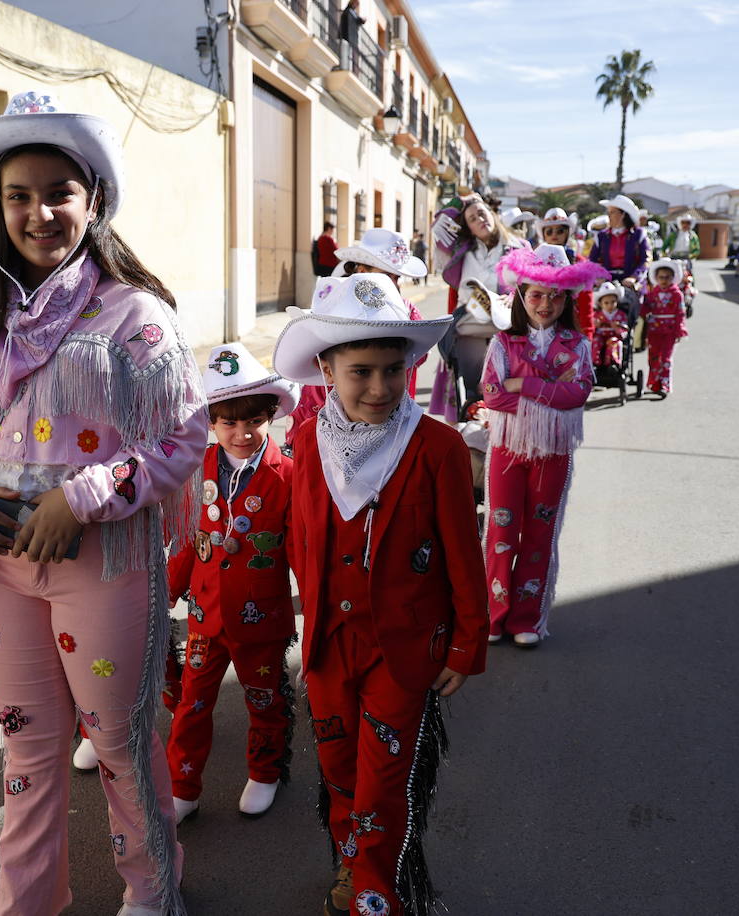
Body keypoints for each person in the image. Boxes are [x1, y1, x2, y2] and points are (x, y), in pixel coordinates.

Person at [0, 91, 205, 916]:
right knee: (27, 754)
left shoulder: (136, 316)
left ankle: (152, 895)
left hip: (106, 566)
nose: (39, 211)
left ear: (93, 202)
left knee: (122, 747)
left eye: (59, 191)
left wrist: (83, 497)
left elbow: (184, 438)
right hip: (4, 575)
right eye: (18, 195)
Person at [272, 273, 485, 916]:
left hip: (404, 648)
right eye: (360, 371)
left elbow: (461, 554)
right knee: (337, 766)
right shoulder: (306, 441)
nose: (379, 388)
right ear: (325, 368)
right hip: (330, 646)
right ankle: (350, 861)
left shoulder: (438, 446)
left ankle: (375, 888)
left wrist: (466, 643)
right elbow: (297, 538)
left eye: (394, 371)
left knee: (384, 779)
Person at [165, 343, 299, 823]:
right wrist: (167, 591)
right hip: (205, 614)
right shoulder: (196, 466)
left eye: (252, 421)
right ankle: (182, 785)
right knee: (191, 704)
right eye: (228, 422)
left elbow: (301, 553)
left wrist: (319, 612)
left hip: (260, 617)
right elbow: (187, 538)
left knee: (263, 701)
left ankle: (264, 773)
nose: (241, 433)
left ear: (270, 416)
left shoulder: (287, 475)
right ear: (210, 422)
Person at [481, 245, 606, 646]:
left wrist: (525, 385)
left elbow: (580, 392)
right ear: (521, 295)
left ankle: (526, 619)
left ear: (568, 298)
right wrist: (548, 393)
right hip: (507, 450)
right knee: (501, 534)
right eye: (536, 293)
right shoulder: (504, 342)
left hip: (552, 453)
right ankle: (494, 615)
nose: (545, 303)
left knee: (539, 535)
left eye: (555, 296)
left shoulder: (577, 344)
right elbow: (491, 394)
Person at [286, 228, 428, 449]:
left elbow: (418, 356)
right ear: (362, 270)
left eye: (396, 277)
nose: (394, 284)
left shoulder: (406, 310)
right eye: (387, 276)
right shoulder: (337, 305)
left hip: (388, 410)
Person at [430, 194, 530, 419]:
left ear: (493, 214)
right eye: (472, 219)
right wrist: (461, 201)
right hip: (469, 328)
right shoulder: (461, 251)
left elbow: (534, 282)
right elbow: (438, 227)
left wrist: (517, 296)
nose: (479, 220)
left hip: (508, 330)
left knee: (505, 397)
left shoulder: (519, 247)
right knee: (468, 393)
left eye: (482, 213)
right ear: (469, 228)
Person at [538, 207, 595, 339]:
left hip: (572, 325)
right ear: (543, 234)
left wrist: (587, 333)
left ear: (567, 233)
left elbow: (586, 302)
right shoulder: (535, 261)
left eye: (560, 231)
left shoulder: (580, 262)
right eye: (549, 231)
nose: (554, 235)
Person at [642, 259, 688, 398]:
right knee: (654, 357)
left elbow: (680, 312)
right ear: (656, 278)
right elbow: (646, 308)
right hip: (654, 330)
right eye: (661, 277)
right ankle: (654, 383)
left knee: (666, 358)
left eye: (667, 277)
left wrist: (679, 329)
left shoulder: (676, 294)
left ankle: (664, 384)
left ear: (673, 278)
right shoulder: (652, 294)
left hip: (670, 330)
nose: (664, 280)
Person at [589, 194, 649, 291]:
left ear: (623, 214)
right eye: (608, 212)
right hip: (606, 284)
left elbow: (645, 260)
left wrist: (634, 277)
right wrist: (599, 276)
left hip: (631, 283)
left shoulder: (638, 234)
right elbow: (592, 260)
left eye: (612, 212)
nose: (608, 215)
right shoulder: (601, 236)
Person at [591, 281, 629, 369]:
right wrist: (596, 325)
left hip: (614, 336)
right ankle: (595, 363)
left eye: (613, 302)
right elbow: (591, 329)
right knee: (595, 341)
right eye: (606, 303)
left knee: (614, 342)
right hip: (600, 336)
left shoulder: (621, 315)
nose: (610, 305)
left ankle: (613, 363)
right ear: (601, 304)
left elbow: (624, 330)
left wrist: (617, 327)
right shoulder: (597, 315)